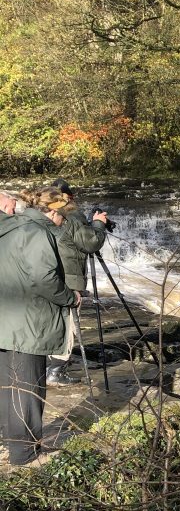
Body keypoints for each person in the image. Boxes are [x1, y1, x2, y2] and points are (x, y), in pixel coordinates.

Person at [0, 188, 79, 466]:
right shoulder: (37, 232)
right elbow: (44, 278)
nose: (64, 223)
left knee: (8, 387)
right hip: (28, 322)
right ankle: (25, 455)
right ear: (53, 212)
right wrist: (71, 297)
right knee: (28, 388)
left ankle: (10, 444)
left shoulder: (9, 226)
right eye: (63, 218)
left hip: (6, 318)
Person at [47, 179, 109, 385]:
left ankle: (44, 367)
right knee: (68, 325)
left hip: (46, 277)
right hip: (70, 280)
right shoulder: (72, 216)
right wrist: (99, 224)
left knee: (49, 323)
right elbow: (90, 242)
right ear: (69, 198)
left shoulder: (43, 215)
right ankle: (55, 371)